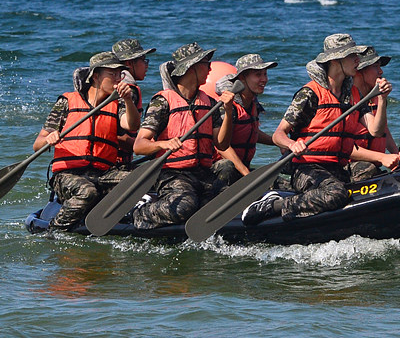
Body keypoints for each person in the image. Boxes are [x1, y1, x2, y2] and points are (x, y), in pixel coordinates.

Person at [242, 34, 399, 226]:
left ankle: (285, 190)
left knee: (368, 188)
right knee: (336, 194)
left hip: (336, 167)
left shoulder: (353, 94)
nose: (357, 60)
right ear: (335, 60)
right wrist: (292, 144)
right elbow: (278, 135)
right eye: (352, 56)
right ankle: (273, 205)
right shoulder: (309, 94)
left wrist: (382, 99)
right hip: (307, 168)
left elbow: (375, 130)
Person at [131, 42, 235, 230]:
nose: (210, 68)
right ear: (191, 68)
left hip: (202, 173)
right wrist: (163, 144)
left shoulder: (210, 103)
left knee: (227, 177)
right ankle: (139, 212)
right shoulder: (163, 102)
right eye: (206, 63)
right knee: (185, 206)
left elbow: (222, 143)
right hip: (172, 174)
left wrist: (228, 112)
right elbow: (139, 146)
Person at [33, 51, 139, 232]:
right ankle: (54, 230)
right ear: (96, 76)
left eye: (119, 74)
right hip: (68, 175)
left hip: (103, 173)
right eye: (111, 74)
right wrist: (49, 139)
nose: (117, 79)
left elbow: (131, 124)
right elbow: (37, 144)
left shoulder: (118, 103)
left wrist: (128, 101)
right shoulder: (67, 102)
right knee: (87, 192)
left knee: (138, 180)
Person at [210, 53, 278, 185]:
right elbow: (221, 146)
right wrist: (247, 174)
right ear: (242, 77)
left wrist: (278, 142)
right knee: (227, 167)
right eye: (258, 75)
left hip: (242, 169)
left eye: (265, 74)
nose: (264, 79)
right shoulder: (228, 107)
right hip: (221, 171)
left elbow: (250, 132)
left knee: (277, 182)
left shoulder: (252, 103)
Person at [349, 45, 399, 180]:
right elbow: (343, 147)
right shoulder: (346, 101)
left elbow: (384, 131)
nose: (381, 71)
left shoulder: (378, 98)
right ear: (360, 71)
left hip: (373, 164)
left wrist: (398, 156)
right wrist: (382, 157)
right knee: (368, 170)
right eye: (375, 67)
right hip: (348, 166)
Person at [111, 38, 156, 168]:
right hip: (116, 163)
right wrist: (152, 147)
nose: (147, 65)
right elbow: (118, 136)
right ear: (130, 63)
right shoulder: (129, 90)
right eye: (143, 60)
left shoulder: (113, 86)